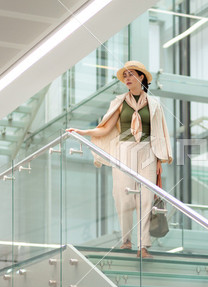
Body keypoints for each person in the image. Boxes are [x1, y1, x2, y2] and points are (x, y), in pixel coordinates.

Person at [67, 61, 172, 258]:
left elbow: (160, 133)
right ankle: (126, 241)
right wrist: (83, 131)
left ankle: (143, 246)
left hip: (148, 151)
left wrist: (159, 160)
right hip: (124, 150)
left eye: (131, 74)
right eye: (125, 76)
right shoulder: (119, 102)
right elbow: (105, 128)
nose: (127, 78)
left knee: (146, 198)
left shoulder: (154, 105)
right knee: (123, 196)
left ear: (141, 77)